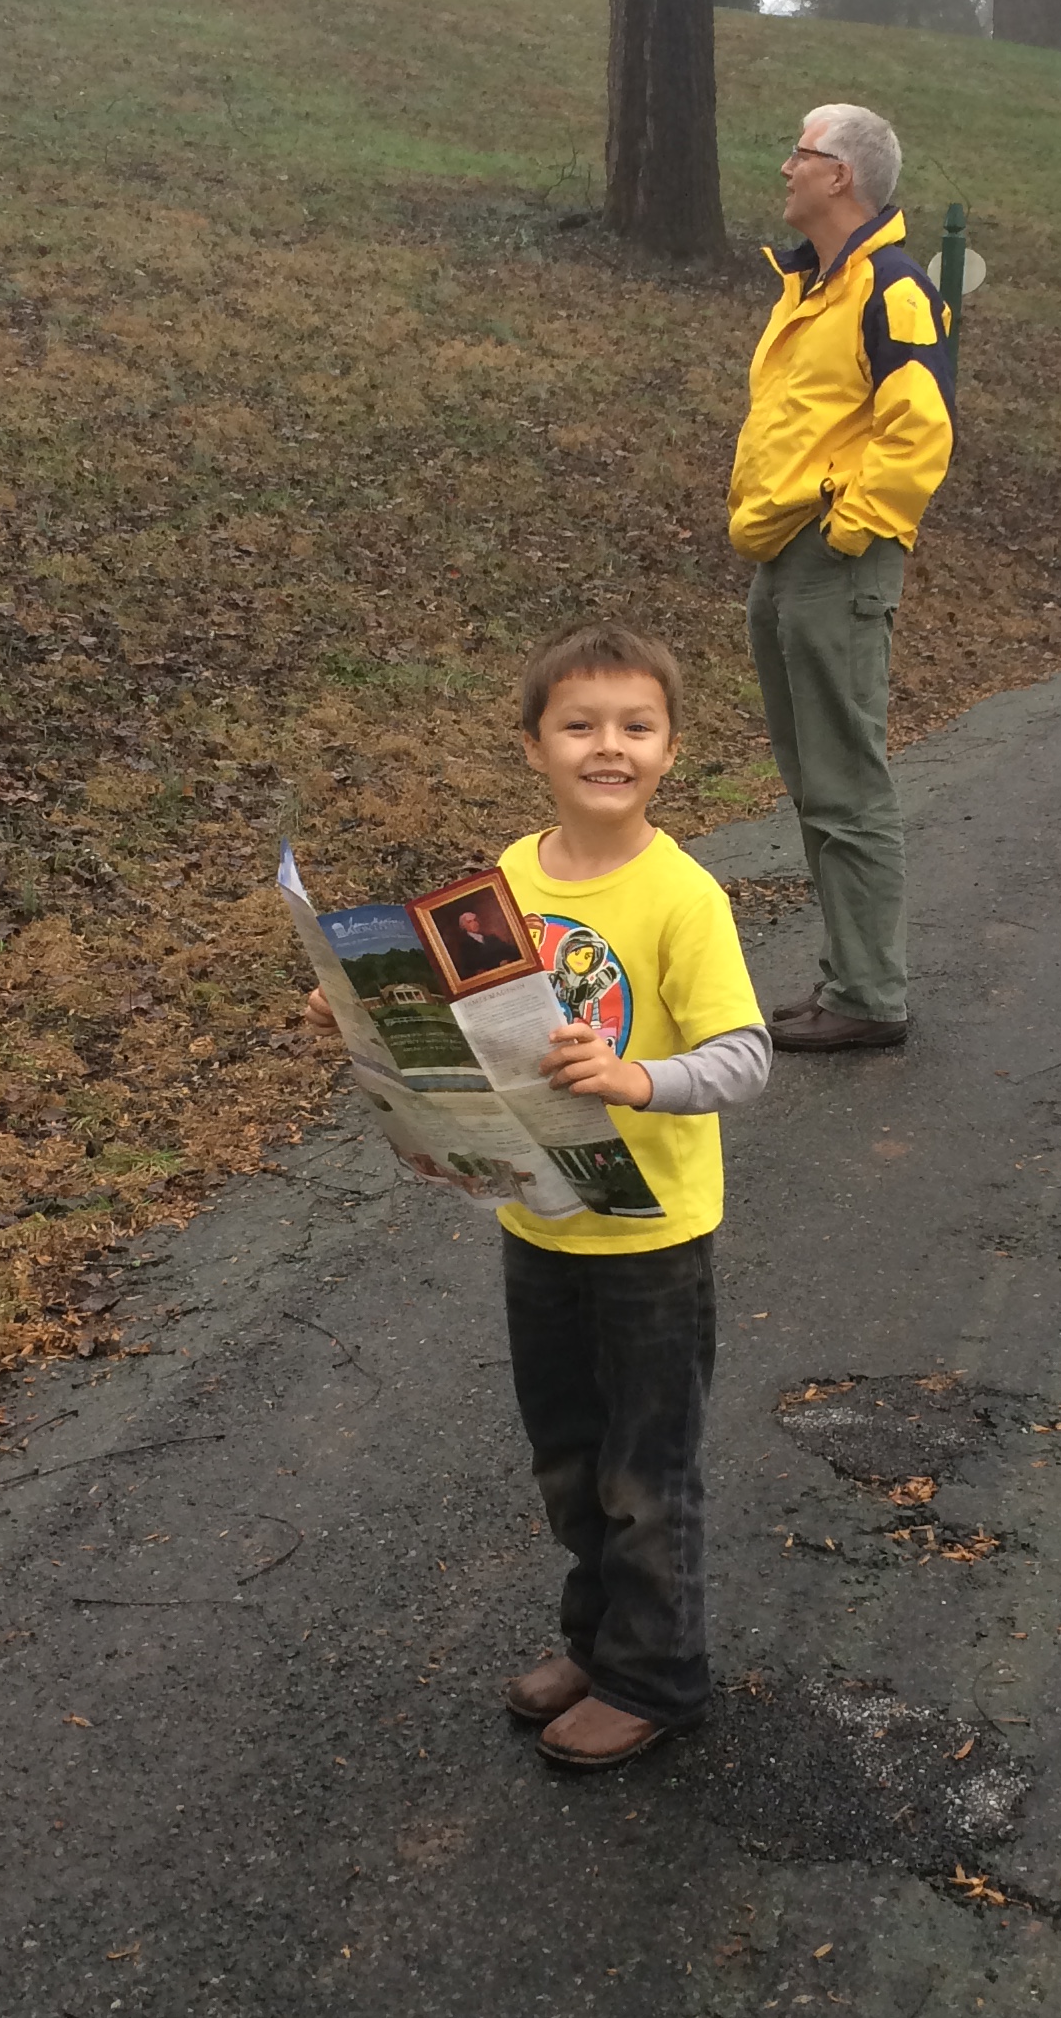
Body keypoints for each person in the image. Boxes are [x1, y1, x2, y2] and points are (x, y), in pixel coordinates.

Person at [304, 627, 769, 1769]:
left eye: (636, 726)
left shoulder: (683, 897)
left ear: (670, 749)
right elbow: (467, 1024)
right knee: (566, 1452)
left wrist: (636, 1078)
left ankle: (658, 1677)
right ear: (533, 746)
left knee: (643, 1470)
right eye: (579, 725)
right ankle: (598, 1644)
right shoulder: (509, 876)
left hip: (651, 1236)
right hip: (541, 1214)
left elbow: (745, 1057)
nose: (608, 746)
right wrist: (366, 1017)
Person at [730, 101, 954, 1052]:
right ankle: (848, 979)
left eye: (801, 152)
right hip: (784, 551)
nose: (786, 167)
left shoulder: (892, 288)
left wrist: (849, 530)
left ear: (841, 175)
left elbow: (922, 429)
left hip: (833, 556)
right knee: (812, 777)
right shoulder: (814, 287)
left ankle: (868, 995)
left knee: (846, 781)